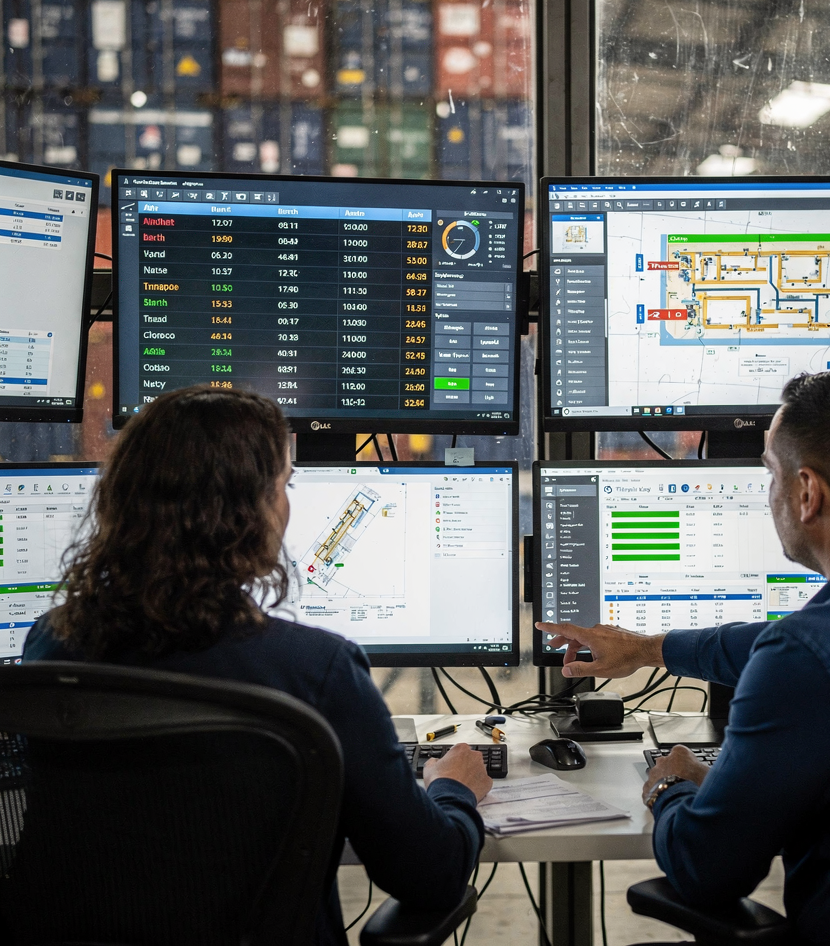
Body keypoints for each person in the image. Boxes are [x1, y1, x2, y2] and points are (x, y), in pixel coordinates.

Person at [538, 371, 830, 946]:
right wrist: (647, 649)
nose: (765, 489)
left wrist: (672, 788)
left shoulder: (805, 659)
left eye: (768, 471)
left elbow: (706, 870)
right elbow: (794, 645)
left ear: (807, 493)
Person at [24, 386, 491, 945]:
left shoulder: (52, 642)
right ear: (251, 513)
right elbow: (430, 875)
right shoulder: (317, 670)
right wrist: (452, 790)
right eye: (284, 485)